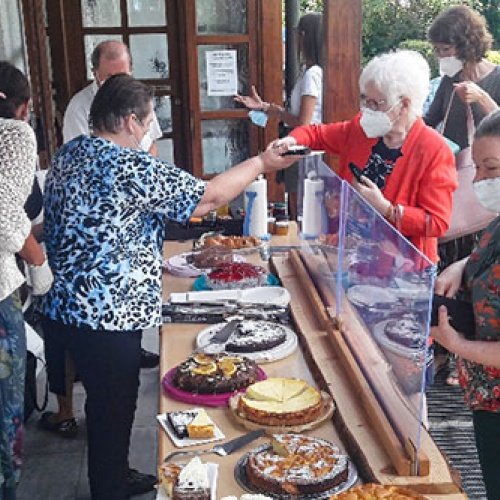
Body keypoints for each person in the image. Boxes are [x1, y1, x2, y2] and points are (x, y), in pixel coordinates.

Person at [41, 74, 296, 500]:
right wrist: (262, 164)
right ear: (128, 122)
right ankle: (109, 488)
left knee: (105, 408)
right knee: (111, 413)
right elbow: (208, 198)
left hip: (65, 308)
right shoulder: (127, 163)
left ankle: (116, 475)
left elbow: (96, 224)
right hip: (106, 316)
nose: (147, 131)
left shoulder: (70, 154)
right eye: (146, 123)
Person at [39, 40, 161, 442]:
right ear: (96, 73)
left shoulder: (135, 101)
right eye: (112, 75)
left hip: (116, 293)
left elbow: (149, 149)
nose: (119, 80)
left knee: (115, 390)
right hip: (92, 280)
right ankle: (99, 460)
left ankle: (112, 471)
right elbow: (93, 172)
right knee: (110, 395)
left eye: (125, 72)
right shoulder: (81, 110)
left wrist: (145, 182)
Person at [273, 50, 457, 263]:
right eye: (365, 100)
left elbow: (437, 222)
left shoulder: (434, 150)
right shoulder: (362, 128)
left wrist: (387, 209)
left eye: (376, 103)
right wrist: (291, 141)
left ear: (404, 105)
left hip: (402, 269)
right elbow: (316, 134)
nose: (368, 110)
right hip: (350, 258)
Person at [431, 109, 500, 499]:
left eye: (491, 168)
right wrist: (462, 266)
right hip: (484, 397)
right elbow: (486, 254)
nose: (480, 181)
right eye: (479, 169)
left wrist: (456, 346)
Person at [0, 61, 53, 500]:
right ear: (25, 107)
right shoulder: (15, 133)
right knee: (4, 408)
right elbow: (2, 215)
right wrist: (36, 259)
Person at [425, 5, 500, 267]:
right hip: (450, 184)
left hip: (486, 192)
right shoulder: (449, 80)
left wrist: (482, 98)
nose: (440, 56)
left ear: (466, 45)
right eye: (438, 50)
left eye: (445, 49)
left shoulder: (497, 80)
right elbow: (429, 122)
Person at [235, 12, 323, 219]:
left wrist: (275, 111)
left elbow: (303, 121)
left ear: (304, 36)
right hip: (307, 150)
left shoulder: (312, 74)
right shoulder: (310, 71)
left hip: (308, 152)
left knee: (302, 211)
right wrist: (266, 107)